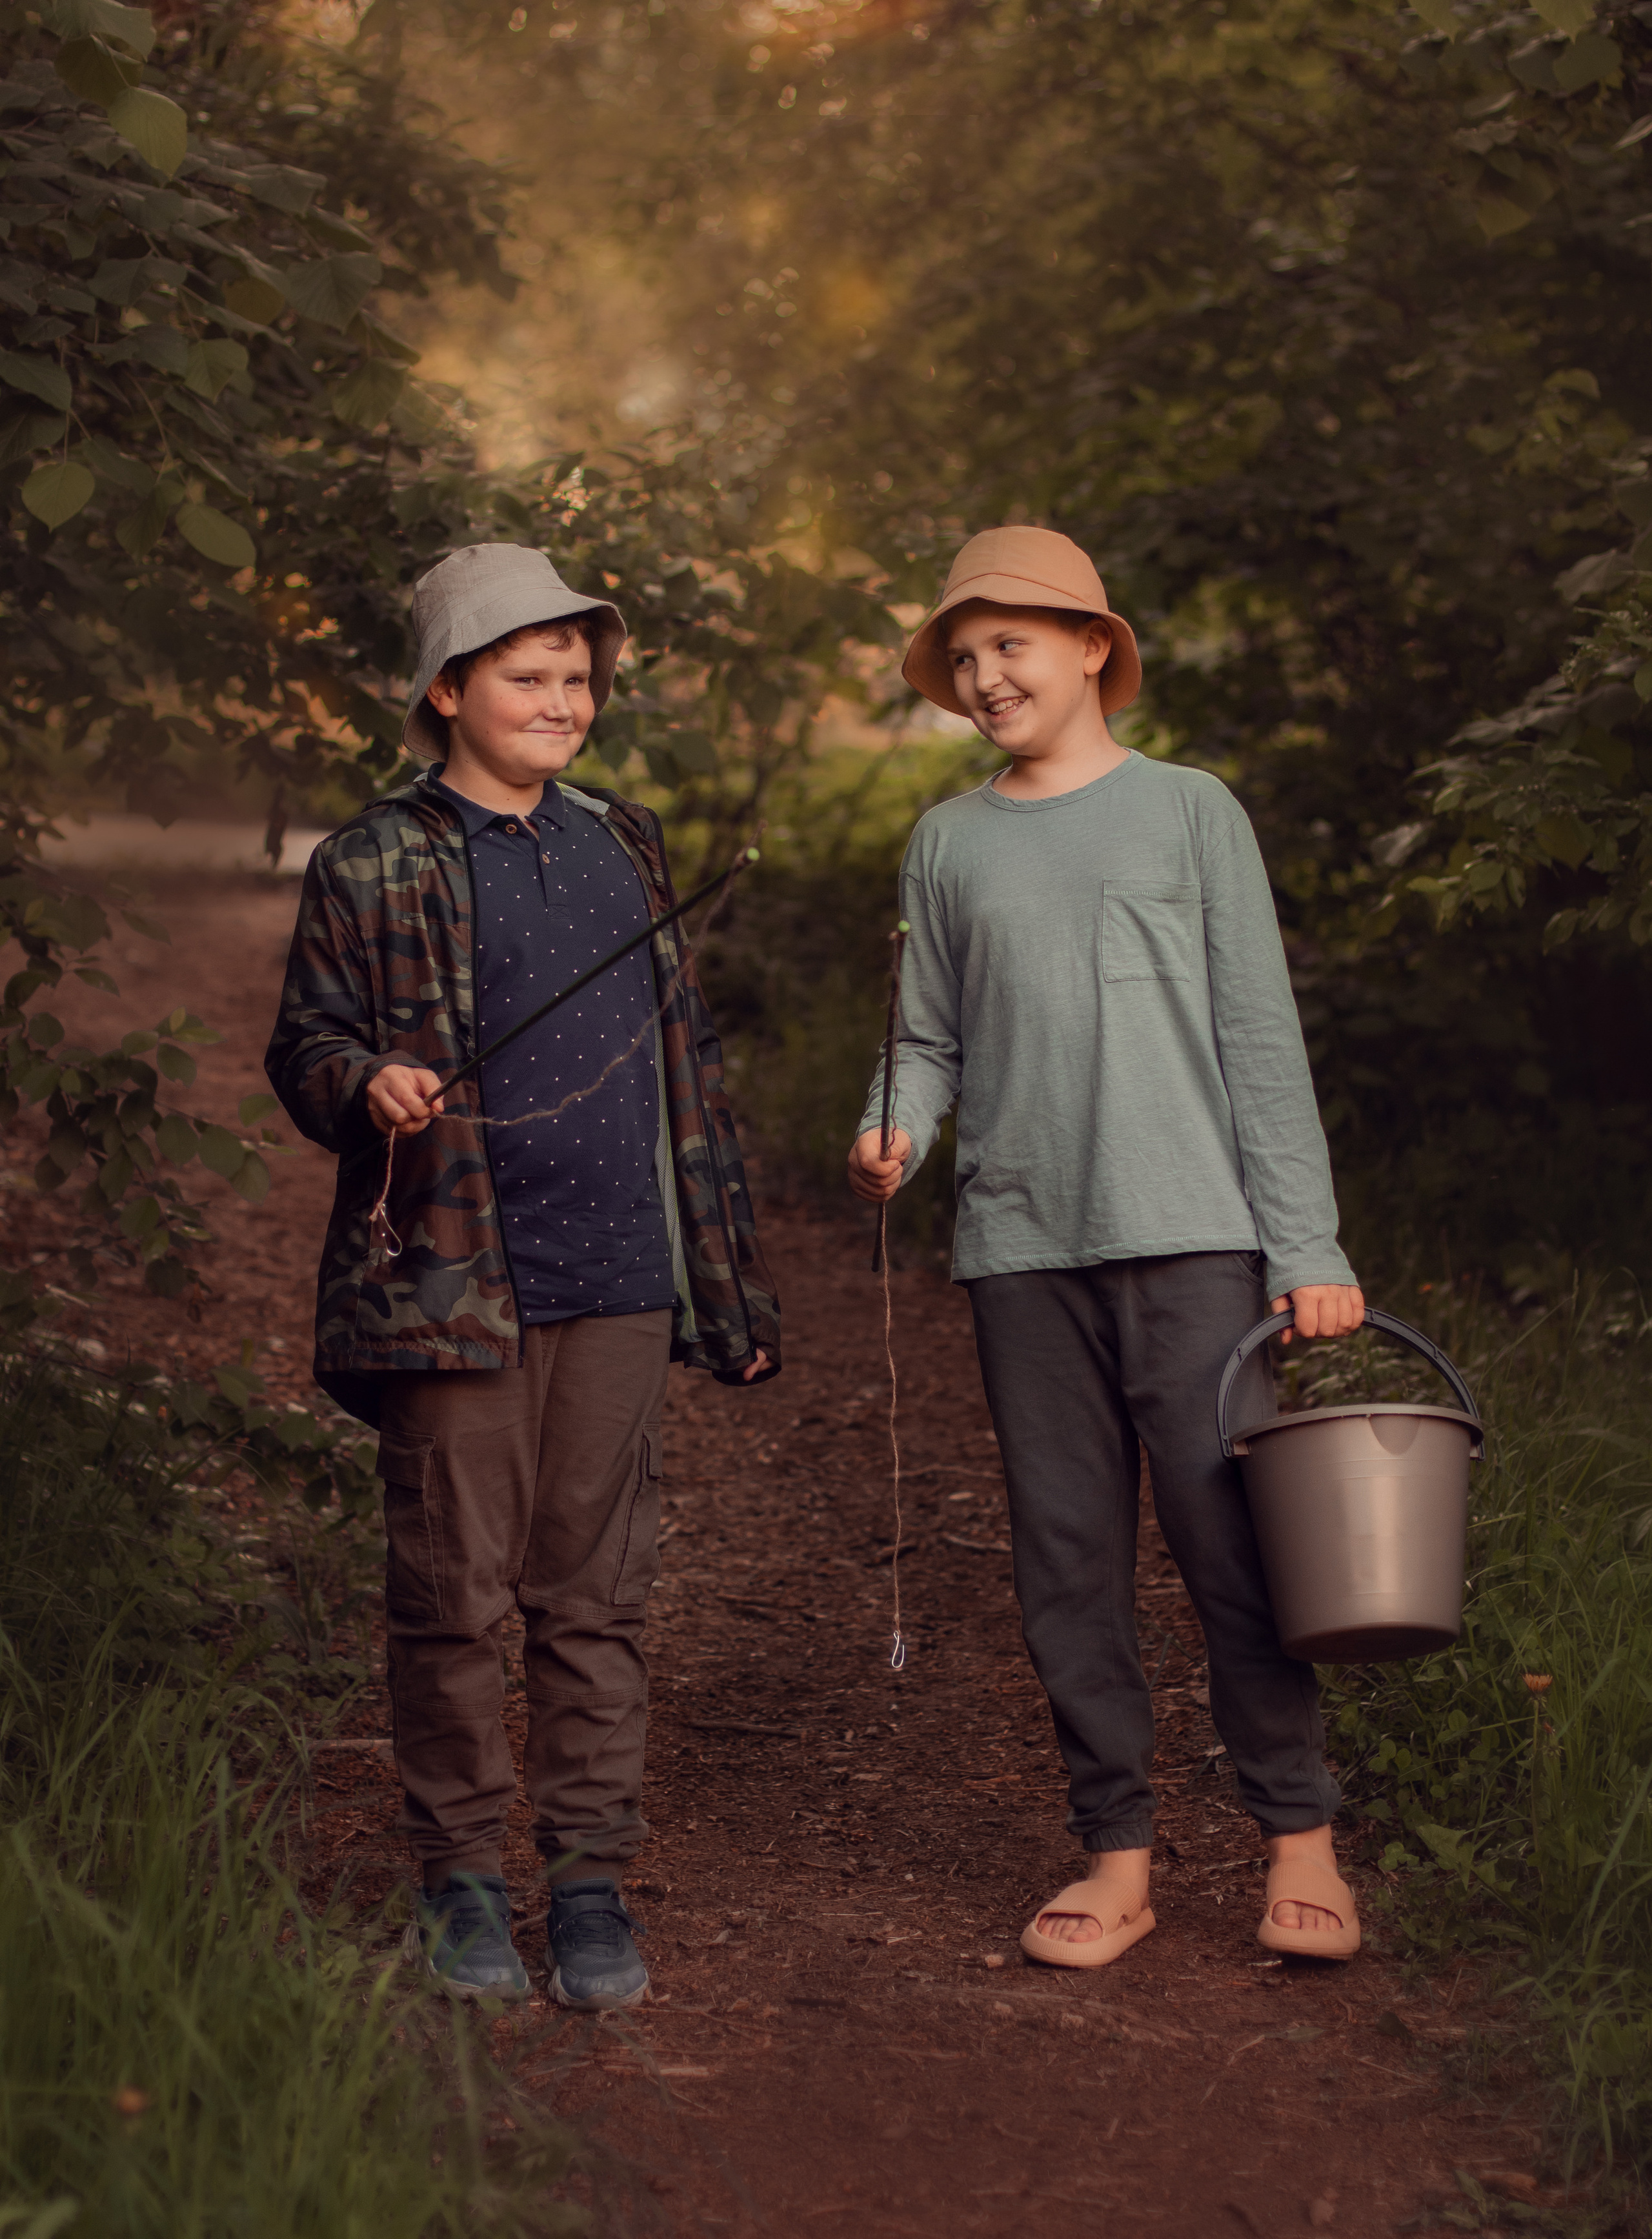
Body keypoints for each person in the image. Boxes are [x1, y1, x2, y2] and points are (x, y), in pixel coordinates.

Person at [267, 542, 780, 2008]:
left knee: (596, 1594)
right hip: (451, 1282)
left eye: (578, 677)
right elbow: (303, 1053)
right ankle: (463, 1882)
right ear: (447, 689)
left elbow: (688, 1077)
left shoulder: (625, 841)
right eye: (527, 675)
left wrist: (723, 1289)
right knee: (451, 1593)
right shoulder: (372, 857)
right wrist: (367, 1083)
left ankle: (590, 1881)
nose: (563, 699)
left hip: (616, 1270)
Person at [847, 527, 1364, 1967]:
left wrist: (1301, 1243)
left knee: (1233, 1552)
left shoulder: (1192, 812)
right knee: (1065, 1559)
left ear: (1089, 646)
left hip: (1194, 1240)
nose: (981, 673)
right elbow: (926, 1037)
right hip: (1018, 1249)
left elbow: (1258, 1041)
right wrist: (897, 1125)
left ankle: (1297, 1832)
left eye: (1007, 642)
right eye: (961, 655)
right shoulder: (945, 839)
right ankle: (1115, 1851)